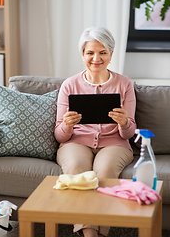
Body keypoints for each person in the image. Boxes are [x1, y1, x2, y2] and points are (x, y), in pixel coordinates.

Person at [54, 26, 137, 237]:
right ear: (82, 55)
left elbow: (129, 134)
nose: (96, 58)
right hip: (76, 142)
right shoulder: (69, 85)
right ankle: (89, 233)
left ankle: (99, 232)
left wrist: (124, 123)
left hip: (115, 144)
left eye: (102, 52)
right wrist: (67, 125)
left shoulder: (125, 84)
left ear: (111, 55)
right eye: (90, 52)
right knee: (75, 168)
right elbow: (60, 135)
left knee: (105, 171)